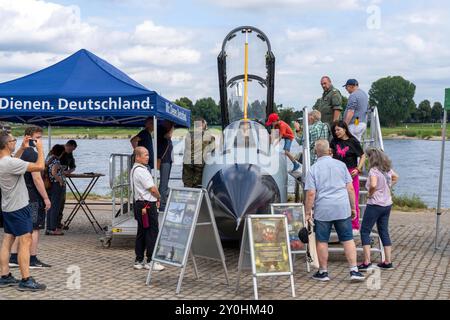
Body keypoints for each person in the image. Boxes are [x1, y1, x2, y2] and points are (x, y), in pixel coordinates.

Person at [304, 139, 365, 282]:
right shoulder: (342, 165)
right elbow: (350, 188)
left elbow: (311, 193)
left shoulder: (313, 169)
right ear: (330, 151)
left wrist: (308, 212)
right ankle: (354, 270)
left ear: (315, 152)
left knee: (322, 240)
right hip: (342, 208)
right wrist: (353, 207)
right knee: (347, 239)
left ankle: (323, 272)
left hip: (323, 210)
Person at [0, 131, 46, 291]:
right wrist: (40, 148)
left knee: (8, 239)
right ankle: (26, 279)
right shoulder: (10, 164)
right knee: (25, 240)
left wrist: (20, 148)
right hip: (19, 207)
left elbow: (13, 161)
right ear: (7, 144)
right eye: (14, 140)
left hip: (7, 207)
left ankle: (4, 276)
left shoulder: (4, 161)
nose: (15, 141)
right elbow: (40, 167)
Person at [9, 126, 51, 269]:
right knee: (34, 228)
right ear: (29, 137)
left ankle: (13, 257)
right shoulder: (32, 154)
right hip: (32, 196)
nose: (40, 141)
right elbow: (37, 178)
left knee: (18, 229)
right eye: (38, 138)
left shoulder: (19, 154)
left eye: (40, 138)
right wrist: (46, 198)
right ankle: (32, 258)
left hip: (19, 195)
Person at [358, 148, 399, 272]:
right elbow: (396, 177)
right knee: (383, 231)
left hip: (375, 204)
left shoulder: (373, 171)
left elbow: (374, 185)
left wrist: (370, 193)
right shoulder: (387, 169)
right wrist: (389, 186)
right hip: (387, 204)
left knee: (365, 231)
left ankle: (367, 261)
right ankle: (388, 261)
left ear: (371, 158)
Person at [131, 146, 164, 271]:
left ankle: (139, 259)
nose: (148, 157)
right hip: (147, 205)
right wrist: (159, 197)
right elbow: (153, 189)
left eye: (148, 154)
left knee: (142, 232)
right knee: (152, 232)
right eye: (145, 155)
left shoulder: (134, 169)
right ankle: (151, 260)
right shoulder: (142, 171)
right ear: (138, 157)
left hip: (139, 204)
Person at [330, 120, 366, 231]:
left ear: (345, 129)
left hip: (351, 172)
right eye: (335, 130)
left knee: (353, 199)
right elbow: (330, 154)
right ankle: (337, 224)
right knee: (337, 198)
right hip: (337, 172)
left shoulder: (353, 141)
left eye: (338, 130)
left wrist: (358, 169)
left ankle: (354, 226)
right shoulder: (334, 142)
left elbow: (363, 155)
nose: (336, 132)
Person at [182, 118, 215, 188]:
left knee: (187, 184)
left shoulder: (189, 135)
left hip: (187, 163)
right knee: (198, 185)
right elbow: (213, 147)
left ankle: (187, 197)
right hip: (199, 164)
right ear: (203, 125)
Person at [46, 144, 66, 236]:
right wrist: (60, 181)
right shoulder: (56, 160)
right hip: (56, 185)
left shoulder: (49, 158)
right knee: (55, 207)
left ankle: (49, 228)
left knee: (50, 207)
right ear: (61, 152)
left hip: (50, 184)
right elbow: (54, 172)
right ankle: (53, 228)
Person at [57, 139, 77, 229]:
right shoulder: (58, 150)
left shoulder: (70, 154)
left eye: (73, 150)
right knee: (56, 202)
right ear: (68, 145)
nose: (71, 151)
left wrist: (69, 171)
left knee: (62, 201)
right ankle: (53, 223)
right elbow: (49, 164)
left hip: (63, 179)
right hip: (55, 180)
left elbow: (73, 167)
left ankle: (58, 222)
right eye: (71, 149)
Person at [157, 121, 174, 211]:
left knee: (165, 183)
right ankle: (162, 205)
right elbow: (169, 136)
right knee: (163, 183)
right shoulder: (160, 128)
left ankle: (163, 202)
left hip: (168, 160)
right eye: (170, 123)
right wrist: (172, 128)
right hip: (164, 160)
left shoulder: (164, 129)